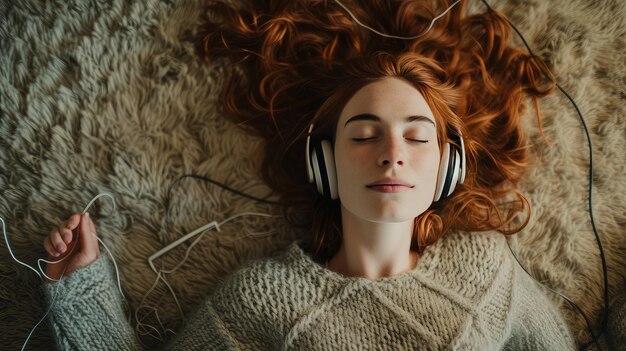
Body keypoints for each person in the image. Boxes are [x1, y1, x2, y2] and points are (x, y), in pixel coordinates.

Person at [43, 0, 576, 349]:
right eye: (364, 135)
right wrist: (82, 291)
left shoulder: (486, 270)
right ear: (324, 163)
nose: (392, 153)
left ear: (448, 165)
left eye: (417, 136)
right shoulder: (258, 300)